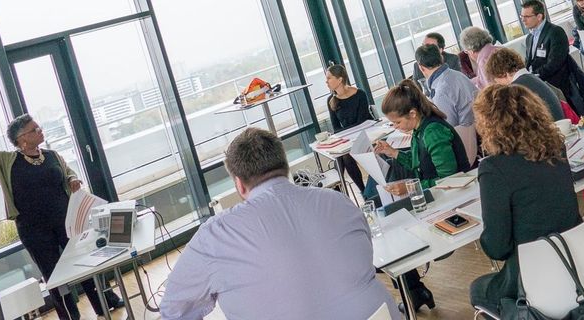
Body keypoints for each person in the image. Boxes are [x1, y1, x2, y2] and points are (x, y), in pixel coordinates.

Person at [159, 128, 399, 320]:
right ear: (285, 166)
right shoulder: (338, 201)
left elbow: (174, 310)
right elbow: (363, 252)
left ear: (239, 184)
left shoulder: (215, 235)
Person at [0, 116, 122, 320]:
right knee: (55, 275)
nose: (40, 130)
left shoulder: (52, 155)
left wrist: (73, 179)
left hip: (66, 222)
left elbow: (67, 172)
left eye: (38, 127)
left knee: (85, 261)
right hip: (33, 231)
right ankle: (70, 317)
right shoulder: (4, 161)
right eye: (34, 129)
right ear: (22, 139)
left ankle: (105, 302)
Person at [468, 84, 580, 315]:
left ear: (488, 125)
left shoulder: (494, 169)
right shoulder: (557, 148)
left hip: (534, 278)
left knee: (478, 289)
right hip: (577, 262)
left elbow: (497, 248)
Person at [370, 79, 472, 312]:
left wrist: (411, 188)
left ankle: (414, 291)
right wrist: (393, 152)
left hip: (451, 200)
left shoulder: (433, 132)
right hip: (439, 197)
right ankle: (414, 291)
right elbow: (420, 165)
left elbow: (449, 178)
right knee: (389, 228)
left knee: (392, 233)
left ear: (412, 113)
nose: (395, 127)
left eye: (396, 122)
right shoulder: (421, 130)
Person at [522, 0, 584, 116]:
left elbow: (555, 63)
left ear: (539, 17)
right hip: (541, 86)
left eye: (527, 16)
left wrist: (534, 76)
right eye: (522, 16)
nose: (523, 20)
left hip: (560, 85)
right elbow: (530, 63)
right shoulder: (529, 38)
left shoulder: (555, 32)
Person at [326, 64, 374, 193]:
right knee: (343, 155)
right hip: (349, 138)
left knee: (343, 156)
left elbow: (362, 122)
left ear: (340, 79)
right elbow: (336, 128)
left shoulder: (360, 94)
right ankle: (361, 191)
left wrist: (346, 133)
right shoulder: (331, 100)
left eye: (329, 78)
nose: (326, 82)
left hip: (366, 134)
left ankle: (339, 189)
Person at [483, 48, 566, 121]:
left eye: (496, 80)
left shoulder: (516, 89)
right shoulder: (531, 78)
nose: (498, 85)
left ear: (502, 73)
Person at [416, 44, 477, 127]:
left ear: (421, 67)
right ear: (441, 58)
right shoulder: (458, 75)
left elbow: (448, 127)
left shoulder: (441, 91)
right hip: (479, 126)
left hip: (466, 135)